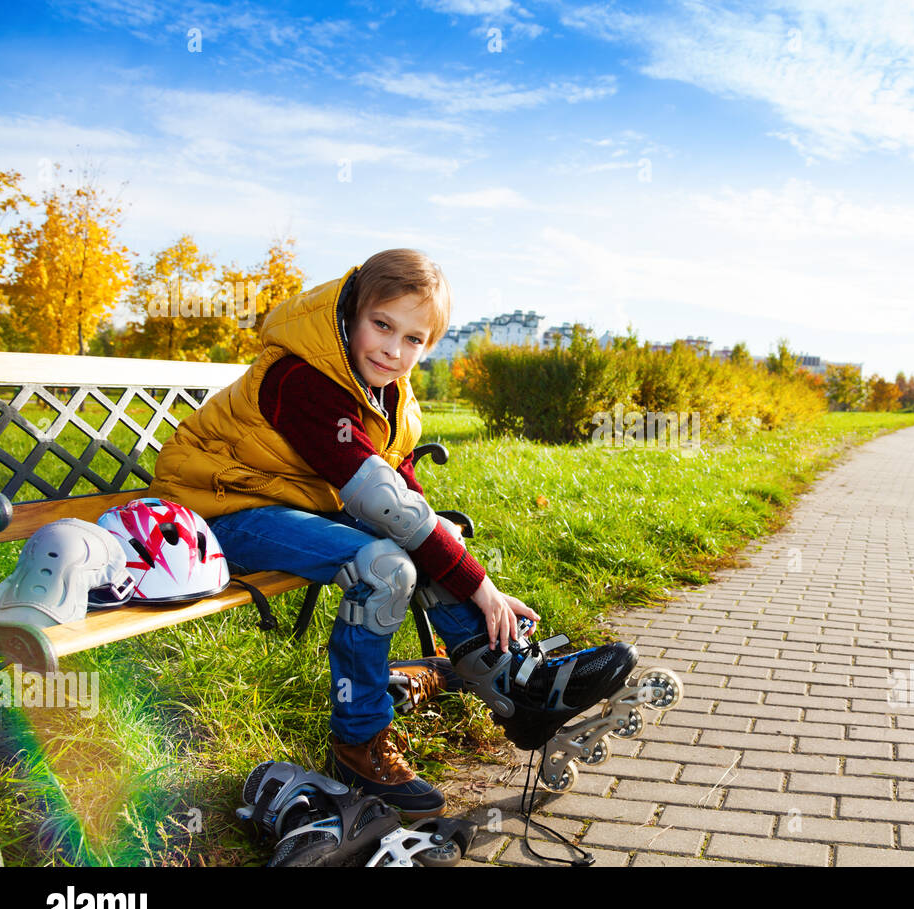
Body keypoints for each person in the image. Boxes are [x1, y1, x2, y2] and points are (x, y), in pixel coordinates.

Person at [147, 248, 636, 819]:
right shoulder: (302, 376)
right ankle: (357, 742)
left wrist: (471, 574)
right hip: (215, 512)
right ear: (351, 314)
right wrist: (478, 584)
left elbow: (402, 491)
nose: (394, 350)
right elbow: (380, 499)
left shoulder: (385, 390)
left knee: (425, 539)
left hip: (290, 501)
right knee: (385, 568)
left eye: (414, 340)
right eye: (382, 325)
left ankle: (517, 684)